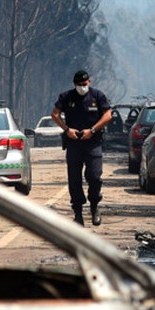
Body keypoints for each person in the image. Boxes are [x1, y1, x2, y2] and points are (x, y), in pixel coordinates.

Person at [52, 69, 112, 225]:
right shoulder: (66, 97)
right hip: (74, 142)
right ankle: (78, 213)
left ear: (89, 82)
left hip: (92, 141)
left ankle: (94, 206)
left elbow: (108, 115)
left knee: (94, 175)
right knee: (74, 179)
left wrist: (92, 130)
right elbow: (55, 114)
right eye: (79, 85)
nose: (82, 87)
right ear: (74, 84)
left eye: (84, 84)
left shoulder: (97, 96)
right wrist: (67, 129)